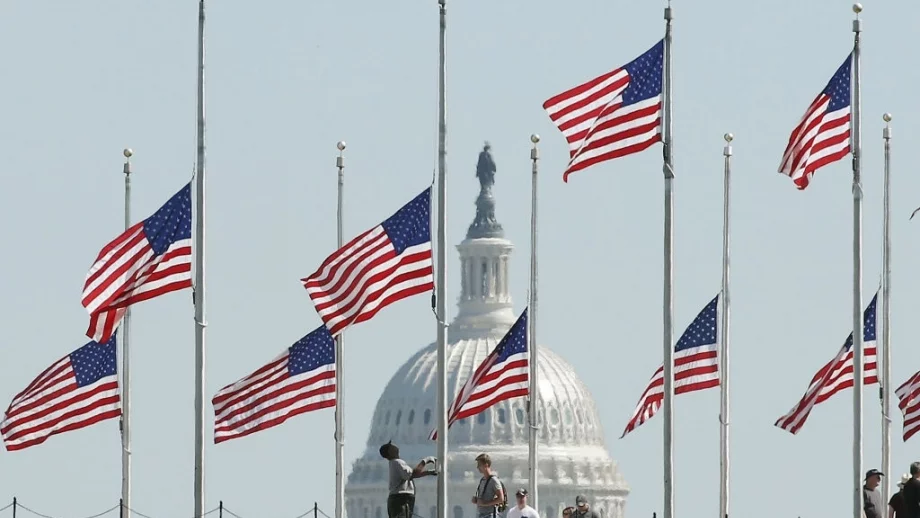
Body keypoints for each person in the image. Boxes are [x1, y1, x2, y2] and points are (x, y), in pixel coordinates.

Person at [379, 441, 437, 518]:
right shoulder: (397, 462)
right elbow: (413, 473)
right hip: (401, 498)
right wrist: (425, 460)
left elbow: (411, 475)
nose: (396, 446)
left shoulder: (394, 463)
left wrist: (429, 472)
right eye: (392, 446)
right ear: (390, 451)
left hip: (398, 498)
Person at [472, 453, 506, 518]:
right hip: (480, 514)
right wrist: (476, 500)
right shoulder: (482, 480)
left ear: (486, 465)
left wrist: (485, 504)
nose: (478, 467)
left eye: (479, 465)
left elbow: (501, 499)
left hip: (490, 514)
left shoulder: (493, 480)